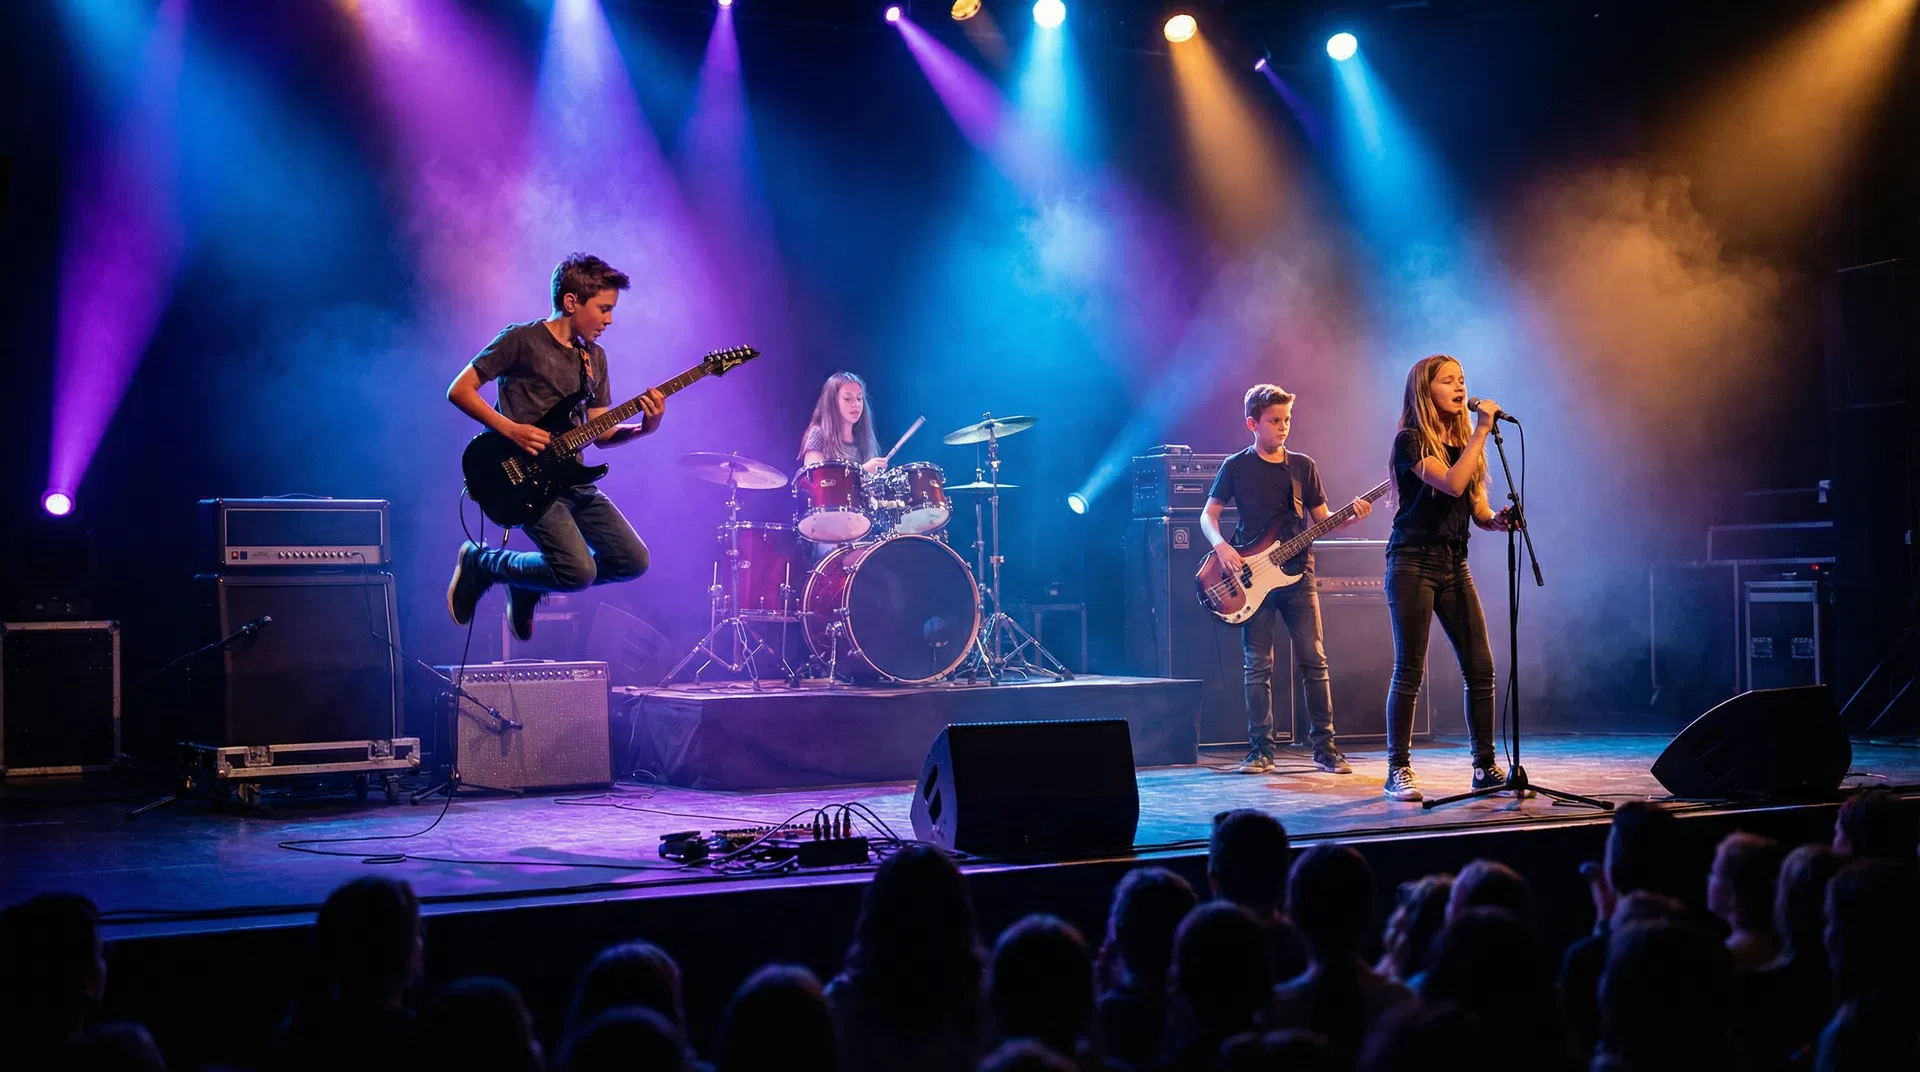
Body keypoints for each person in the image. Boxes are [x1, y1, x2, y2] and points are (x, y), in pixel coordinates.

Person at [447, 253, 666, 642]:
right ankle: (484, 562)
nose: (609, 320)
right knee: (578, 573)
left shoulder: (594, 358)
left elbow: (599, 432)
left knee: (633, 561)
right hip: (523, 479)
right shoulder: (521, 339)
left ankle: (525, 581)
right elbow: (459, 390)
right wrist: (511, 429)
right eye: (603, 309)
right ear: (571, 302)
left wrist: (645, 428)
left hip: (572, 480)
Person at [1201, 384, 1373, 776]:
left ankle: (1325, 748)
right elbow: (1207, 516)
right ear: (1252, 423)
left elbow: (1323, 519)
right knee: (1257, 665)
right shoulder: (1235, 467)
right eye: (1275, 421)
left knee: (1314, 661)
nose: (1283, 427)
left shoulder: (1303, 467)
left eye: (1287, 420)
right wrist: (1222, 547)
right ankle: (1261, 750)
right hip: (1251, 578)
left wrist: (1351, 517)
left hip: (1299, 576)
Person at [1378, 355, 1519, 802]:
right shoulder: (1410, 441)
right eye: (1449, 381)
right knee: (1410, 671)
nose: (1461, 388)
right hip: (1411, 562)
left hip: (1454, 563)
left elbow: (1474, 508)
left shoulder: (1464, 442)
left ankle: (1484, 767)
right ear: (1426, 390)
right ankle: (1397, 769)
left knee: (1481, 667)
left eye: (1463, 380)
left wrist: (1498, 520)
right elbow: (1451, 485)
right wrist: (1481, 429)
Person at [799, 372, 886, 477]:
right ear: (832, 402)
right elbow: (816, 483)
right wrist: (862, 471)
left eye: (859, 398)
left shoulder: (863, 437)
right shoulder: (819, 434)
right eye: (847, 399)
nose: (856, 404)